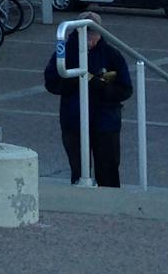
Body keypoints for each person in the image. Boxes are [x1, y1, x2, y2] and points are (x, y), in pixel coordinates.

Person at [43, 34, 134, 186]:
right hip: (74, 121)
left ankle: (110, 205)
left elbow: (125, 90)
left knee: (108, 172)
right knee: (78, 172)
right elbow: (51, 82)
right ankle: (80, 201)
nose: (89, 42)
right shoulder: (65, 52)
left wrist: (101, 86)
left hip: (106, 122)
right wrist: (73, 81)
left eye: (93, 37)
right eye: (85, 37)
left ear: (100, 34)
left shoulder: (111, 53)